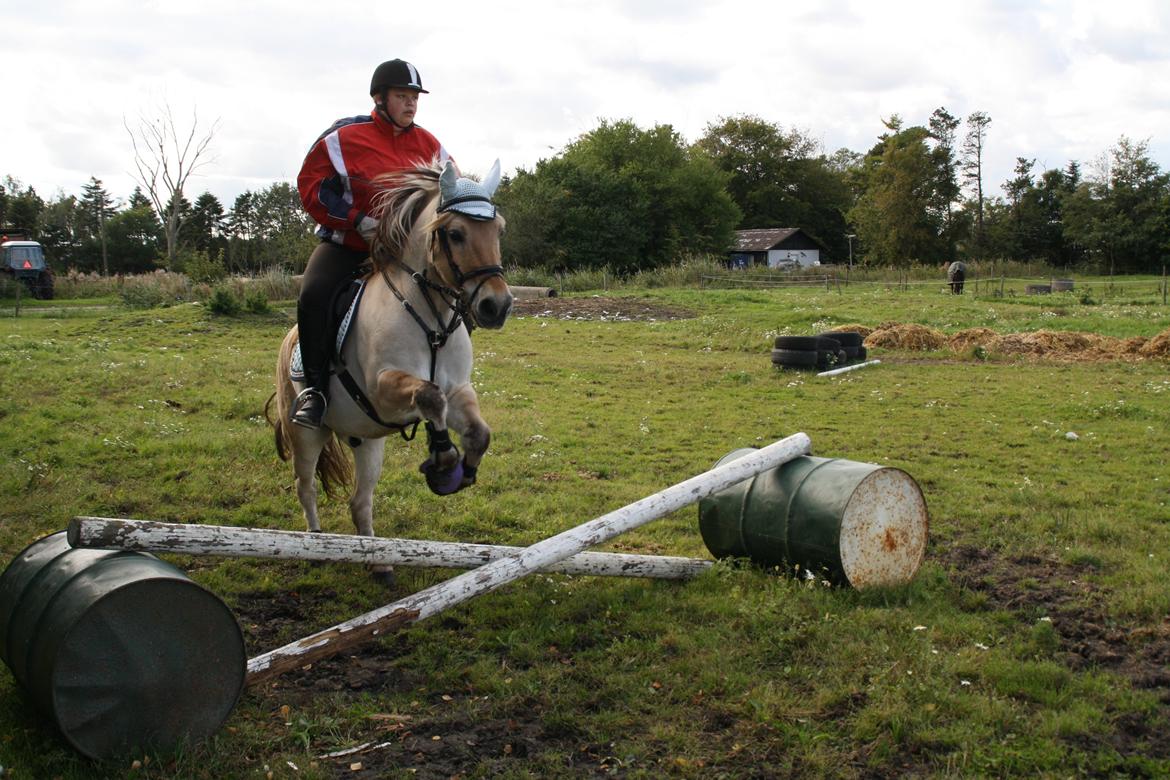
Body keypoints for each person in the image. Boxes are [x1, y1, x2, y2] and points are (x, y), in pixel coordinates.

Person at [292, 59, 452, 429]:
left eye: (414, 98)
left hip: (402, 254)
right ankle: (314, 391)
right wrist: (356, 221)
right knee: (313, 293)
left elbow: (451, 189)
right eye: (402, 96)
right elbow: (311, 186)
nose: (411, 104)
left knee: (454, 290)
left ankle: (448, 377)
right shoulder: (343, 138)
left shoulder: (430, 145)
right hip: (348, 246)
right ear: (380, 98)